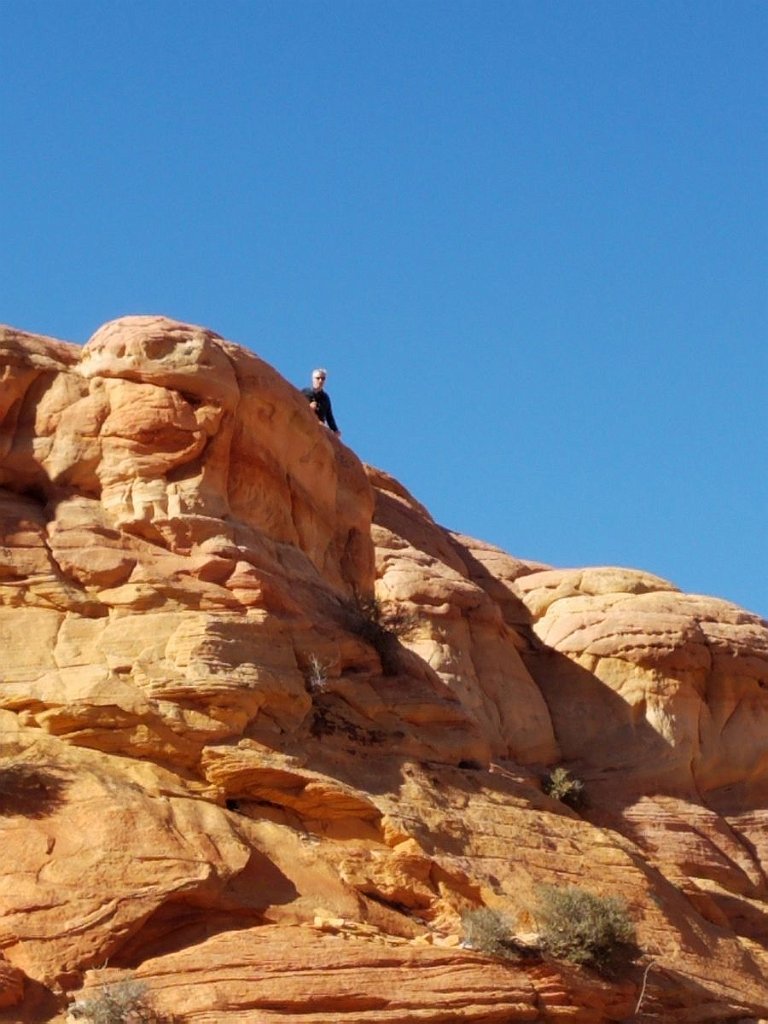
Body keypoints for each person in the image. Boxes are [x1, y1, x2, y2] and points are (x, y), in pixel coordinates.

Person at [301, 368, 340, 436]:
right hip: (305, 425)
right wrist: (308, 407)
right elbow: (297, 407)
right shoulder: (305, 392)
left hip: (319, 430)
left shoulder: (325, 398)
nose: (320, 380)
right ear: (313, 379)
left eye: (323, 378)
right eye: (318, 378)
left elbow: (329, 416)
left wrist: (335, 430)